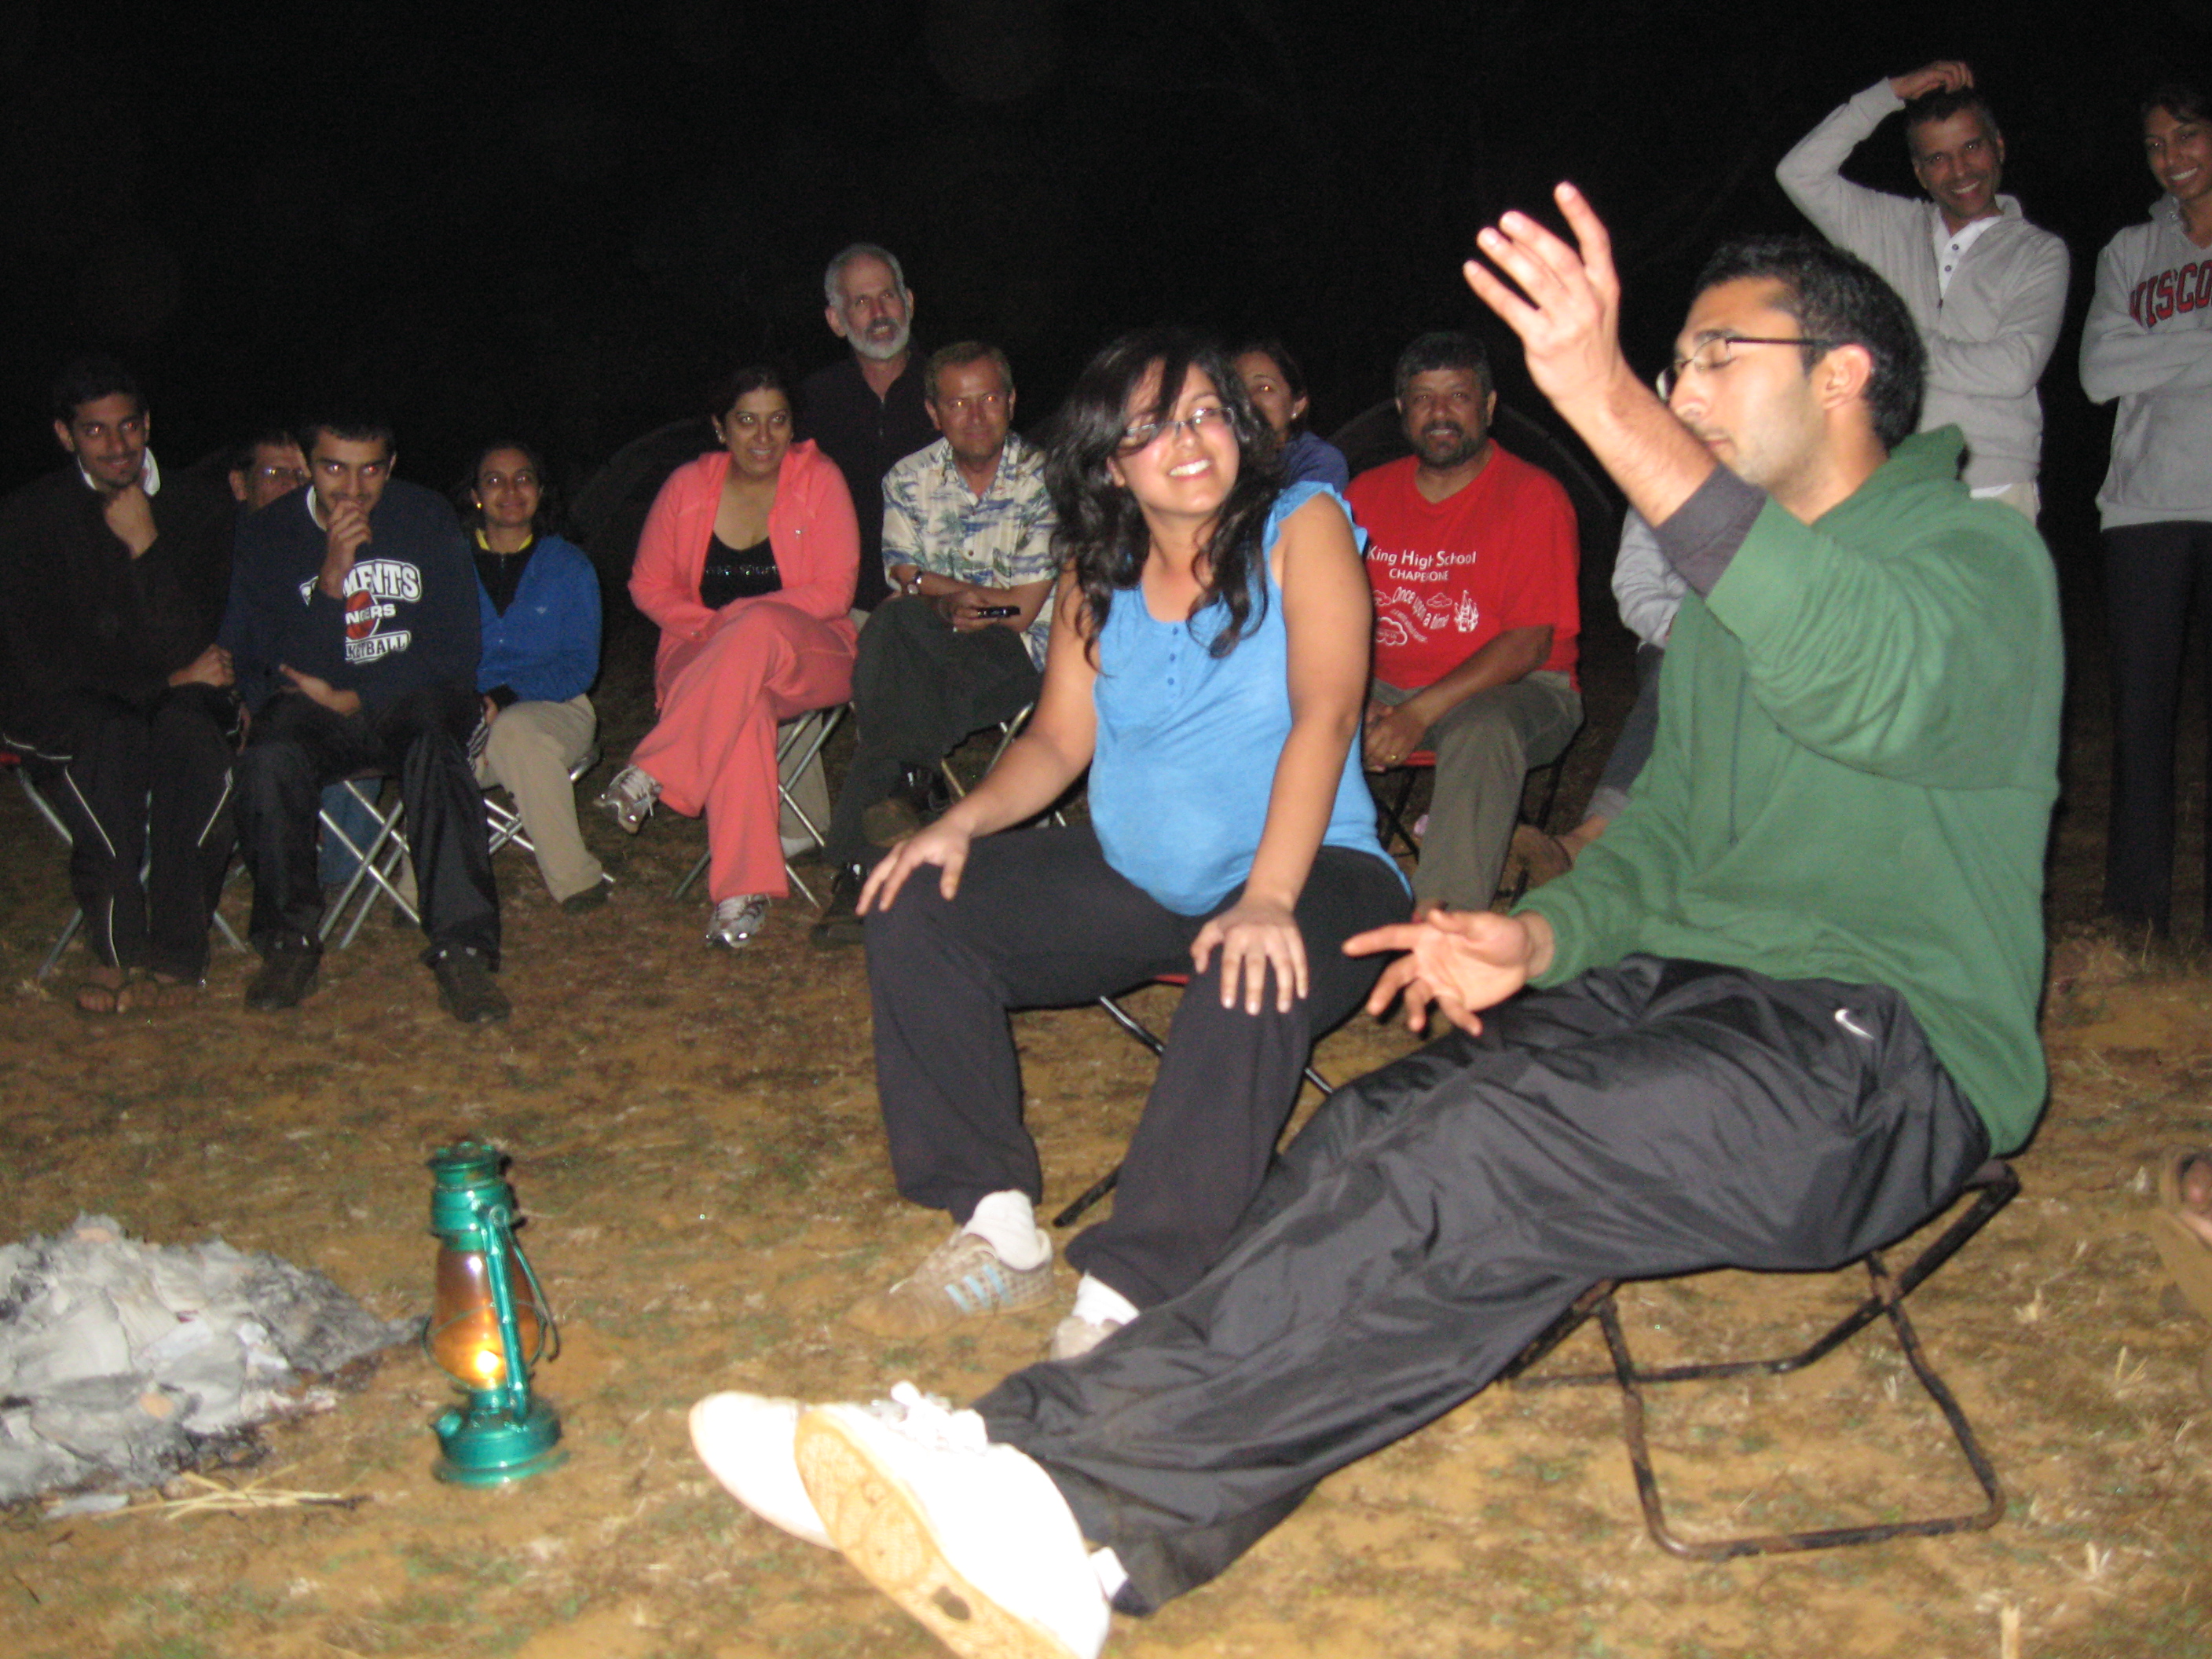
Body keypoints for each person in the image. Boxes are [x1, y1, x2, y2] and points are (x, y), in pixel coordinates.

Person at [684, 205, 2062, 1659]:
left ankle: (1050, 1490)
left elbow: (1859, 675)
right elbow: (1661, 846)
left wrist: (1594, 394)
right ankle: (1055, 1483)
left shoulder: (1975, 563)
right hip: (1679, 998)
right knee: (1376, 1132)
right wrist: (1538, 937)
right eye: (1666, 361)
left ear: (1844, 374)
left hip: (1881, 1052)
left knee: (1491, 1143)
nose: (1679, 387)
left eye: (1714, 355)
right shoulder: (1725, 621)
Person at [844, 329, 1409, 1361]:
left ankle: (1128, 1296)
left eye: (1202, 413)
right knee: (918, 902)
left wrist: (1271, 897)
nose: (1186, 442)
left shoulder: (1302, 525)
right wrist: (956, 822)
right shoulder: (1093, 574)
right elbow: (1061, 739)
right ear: (1111, 461)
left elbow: (1327, 712)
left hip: (1317, 872)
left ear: (1236, 426)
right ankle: (997, 1223)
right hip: (1143, 879)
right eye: (1151, 428)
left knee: (1247, 964)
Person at [222, 414, 507, 1024]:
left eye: (370, 469)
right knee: (269, 756)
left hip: (411, 695)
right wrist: (332, 575)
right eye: (333, 468)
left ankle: (464, 951)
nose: (353, 489)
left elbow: (457, 651)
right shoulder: (270, 532)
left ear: (391, 465)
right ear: (306, 462)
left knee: (435, 743)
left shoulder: (425, 517)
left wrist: (362, 694)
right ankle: (287, 944)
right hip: (308, 705)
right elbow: (271, 656)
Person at [0, 356, 239, 1013]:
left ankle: (178, 951)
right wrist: (162, 676)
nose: (117, 445)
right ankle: (115, 949)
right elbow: (42, 656)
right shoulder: (30, 518)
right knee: (109, 741)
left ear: (148, 424)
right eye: (96, 431)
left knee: (192, 737)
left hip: (173, 695)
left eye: (128, 426)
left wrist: (146, 546)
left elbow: (199, 636)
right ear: (65, 435)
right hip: (72, 705)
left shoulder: (198, 506)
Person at [595, 366, 859, 947]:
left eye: (777, 420)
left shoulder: (819, 480)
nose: (763, 436)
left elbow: (835, 592)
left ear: (793, 427)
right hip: (706, 658)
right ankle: (741, 895)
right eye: (746, 420)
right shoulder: (687, 488)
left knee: (758, 622)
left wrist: (742, 620)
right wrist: (719, 628)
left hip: (810, 650)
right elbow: (647, 586)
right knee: (746, 710)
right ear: (720, 427)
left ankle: (656, 770)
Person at [811, 342, 1058, 942]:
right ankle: (909, 785)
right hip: (926, 638)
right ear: (933, 411)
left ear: (1011, 402)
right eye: (957, 402)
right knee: (894, 624)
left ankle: (861, 858)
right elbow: (902, 577)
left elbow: (1020, 612)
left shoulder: (1049, 478)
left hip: (1015, 654)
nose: (975, 416)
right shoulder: (908, 480)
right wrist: (944, 599)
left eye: (989, 399)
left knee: (902, 651)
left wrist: (942, 590)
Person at [1347, 331, 1583, 911]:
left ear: (1490, 407)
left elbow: (1527, 644)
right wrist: (1351, 699)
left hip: (1521, 693)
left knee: (1482, 726)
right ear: (1403, 411)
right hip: (1385, 692)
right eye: (1424, 399)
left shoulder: (1533, 497)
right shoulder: (1365, 495)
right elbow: (1333, 617)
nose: (1441, 413)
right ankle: (1301, 896)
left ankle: (1442, 930)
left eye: (1458, 396)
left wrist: (1416, 713)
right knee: (1276, 703)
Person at [1777, 59, 2068, 517]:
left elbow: (2015, 368)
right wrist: (1890, 94)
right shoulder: (1888, 226)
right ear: (1919, 171)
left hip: (1992, 485)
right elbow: (1799, 173)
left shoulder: (2039, 251)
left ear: (1999, 148)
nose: (1959, 170)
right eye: (1938, 158)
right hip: (1890, 483)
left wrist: (1891, 342)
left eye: (1972, 147)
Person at [2081, 82, 2212, 939]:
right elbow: (2097, 371)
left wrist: (2153, 352)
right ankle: (2134, 927)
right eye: (2156, 144)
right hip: (2141, 507)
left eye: (2189, 136)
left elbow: (2131, 360)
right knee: (2140, 727)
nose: (2172, 158)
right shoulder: (2128, 250)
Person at [460, 441, 609, 914]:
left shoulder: (569, 567)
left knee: (516, 731)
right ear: (475, 494)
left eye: (523, 478)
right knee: (435, 746)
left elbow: (580, 666)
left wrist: (505, 696)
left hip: (557, 707)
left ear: (540, 492)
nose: (509, 490)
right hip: (468, 713)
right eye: (494, 479)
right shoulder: (449, 568)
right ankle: (423, 886)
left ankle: (574, 879)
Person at [1507, 510, 1684, 886]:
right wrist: (1683, 626)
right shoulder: (1656, 482)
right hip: (1677, 637)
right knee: (1683, 675)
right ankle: (1590, 838)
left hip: (1784, 641)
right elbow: (1636, 587)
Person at [798, 244, 938, 612]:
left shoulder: (953, 392)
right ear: (836, 320)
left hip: (938, 606)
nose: (879, 314)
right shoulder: (810, 404)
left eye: (887, 296)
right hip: (837, 610)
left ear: (908, 302)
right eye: (861, 302)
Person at [1232, 340, 1350, 490]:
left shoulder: (1317, 460)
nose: (1249, 400)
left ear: (1297, 405)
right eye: (1238, 390)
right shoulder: (1225, 461)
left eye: (1265, 388)